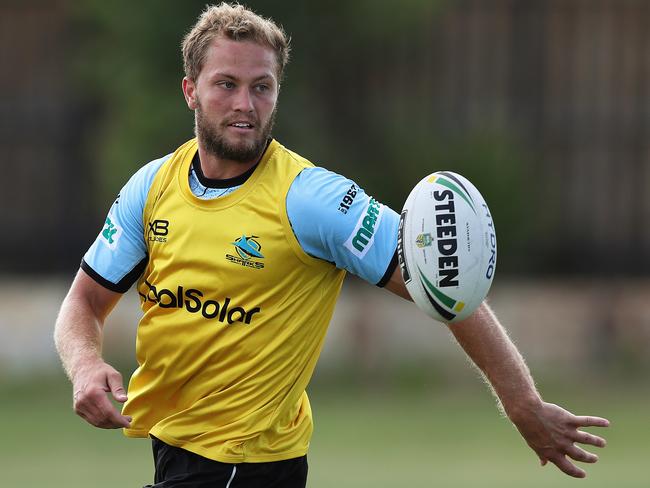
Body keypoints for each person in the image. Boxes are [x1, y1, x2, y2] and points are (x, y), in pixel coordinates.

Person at [54, 3, 609, 487]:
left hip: (243, 464)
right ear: (190, 91)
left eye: (262, 87)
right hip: (174, 451)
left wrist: (522, 404)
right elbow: (83, 303)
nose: (245, 104)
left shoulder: (313, 201)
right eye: (227, 84)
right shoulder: (152, 187)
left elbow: (443, 282)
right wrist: (84, 365)